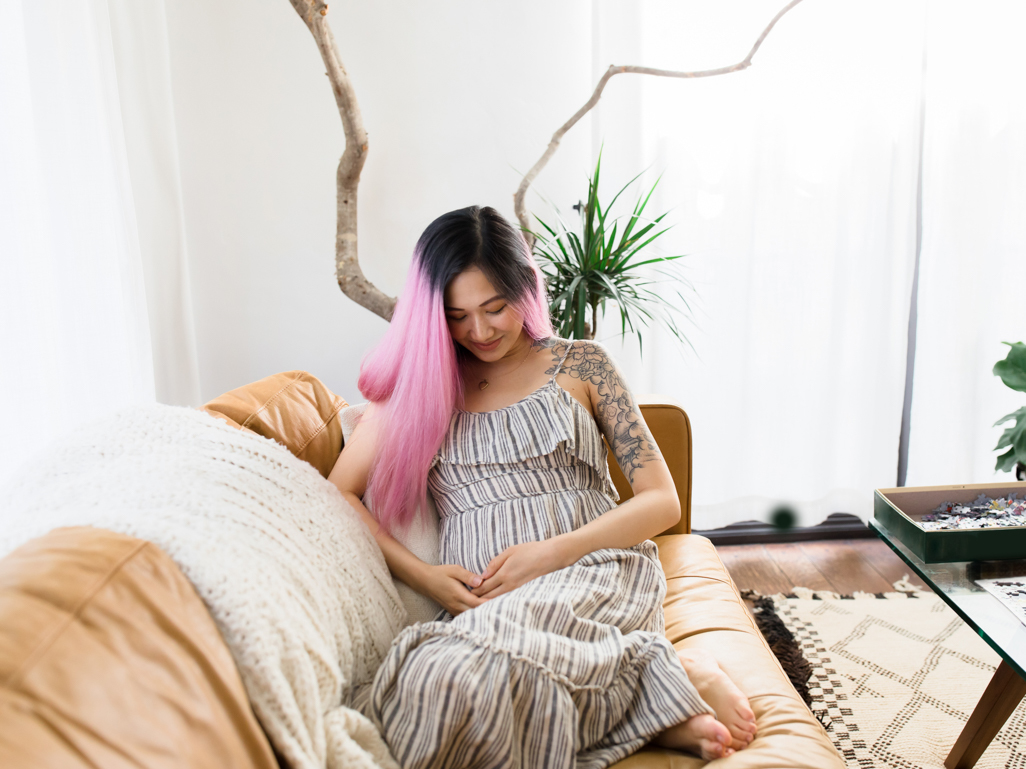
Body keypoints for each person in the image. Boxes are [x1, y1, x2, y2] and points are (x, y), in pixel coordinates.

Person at [329, 205, 756, 768]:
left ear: (525, 290)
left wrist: (550, 554)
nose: (478, 332)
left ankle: (652, 678)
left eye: (494, 307)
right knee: (436, 678)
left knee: (488, 670)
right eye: (456, 316)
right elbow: (337, 493)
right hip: (484, 601)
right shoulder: (421, 387)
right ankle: (651, 681)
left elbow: (661, 500)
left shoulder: (584, 365)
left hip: (590, 570)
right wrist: (425, 575)